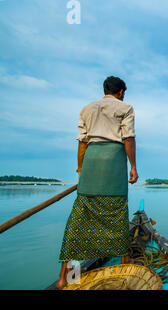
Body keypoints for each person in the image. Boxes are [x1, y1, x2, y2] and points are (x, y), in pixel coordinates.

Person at [56, 76, 138, 289]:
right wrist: (133, 167)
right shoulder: (125, 107)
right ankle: (124, 263)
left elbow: (83, 143)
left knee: (80, 218)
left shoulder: (87, 109)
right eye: (123, 92)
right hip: (113, 161)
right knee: (117, 213)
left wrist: (81, 169)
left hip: (91, 160)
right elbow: (128, 138)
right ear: (120, 91)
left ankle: (66, 278)